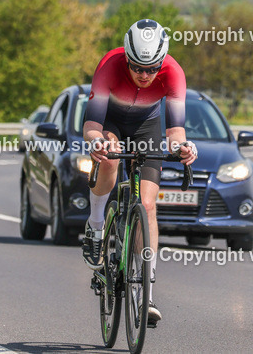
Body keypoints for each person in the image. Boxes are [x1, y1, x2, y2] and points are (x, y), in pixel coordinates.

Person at [81, 19, 197, 326]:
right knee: (110, 156)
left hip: (147, 127)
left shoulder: (173, 73)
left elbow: (174, 130)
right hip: (111, 123)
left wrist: (184, 147)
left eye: (152, 69)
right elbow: (91, 126)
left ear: (161, 62)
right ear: (127, 60)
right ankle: (95, 224)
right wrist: (97, 142)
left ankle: (146, 291)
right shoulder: (109, 65)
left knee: (147, 206)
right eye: (137, 68)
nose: (144, 75)